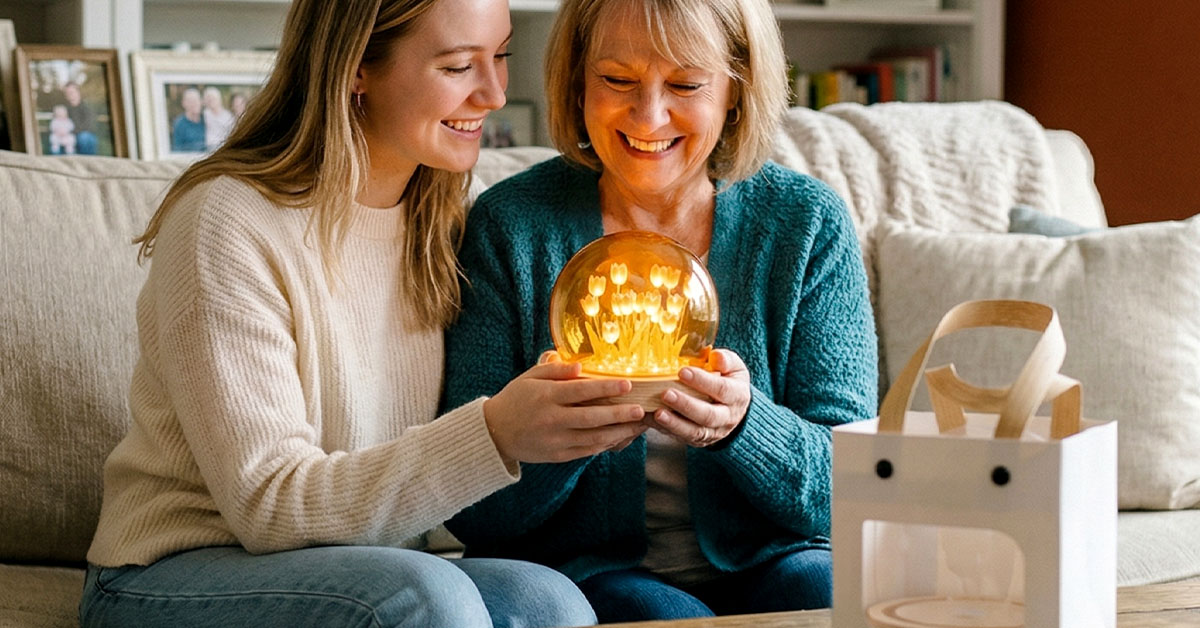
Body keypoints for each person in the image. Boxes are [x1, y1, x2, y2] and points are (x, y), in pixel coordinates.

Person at [80, 0, 649, 625]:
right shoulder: (227, 222)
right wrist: (493, 434)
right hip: (175, 570)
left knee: (549, 600)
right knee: (428, 598)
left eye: (501, 56)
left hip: (377, 563)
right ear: (356, 67)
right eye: (458, 66)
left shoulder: (447, 220)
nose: (493, 94)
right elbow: (268, 507)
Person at [442, 0, 878, 622]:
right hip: (591, 573)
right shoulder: (509, 227)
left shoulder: (806, 224)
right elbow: (472, 512)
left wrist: (744, 425)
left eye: (686, 84)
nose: (648, 115)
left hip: (774, 560)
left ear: (736, 89)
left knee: (831, 596)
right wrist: (554, 438)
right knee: (663, 614)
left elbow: (854, 484)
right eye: (617, 79)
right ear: (577, 80)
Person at [62, 82, 97, 155]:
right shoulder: (64, 109)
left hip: (85, 135)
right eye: (67, 93)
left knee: (84, 137)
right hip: (68, 135)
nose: (69, 95)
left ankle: (86, 161)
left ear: (78, 92)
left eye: (71, 92)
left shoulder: (87, 107)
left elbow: (88, 126)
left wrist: (70, 131)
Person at [170, 87, 206, 152]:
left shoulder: (206, 119)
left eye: (196, 100)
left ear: (201, 102)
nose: (194, 103)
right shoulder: (179, 124)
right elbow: (177, 150)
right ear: (183, 103)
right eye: (190, 101)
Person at [202, 86, 235, 151]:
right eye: (209, 100)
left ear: (219, 100)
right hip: (208, 147)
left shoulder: (228, 116)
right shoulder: (205, 114)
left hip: (224, 146)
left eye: (213, 99)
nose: (211, 102)